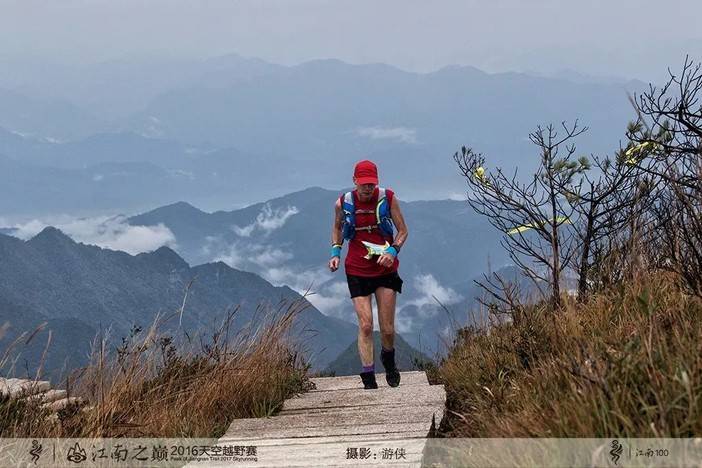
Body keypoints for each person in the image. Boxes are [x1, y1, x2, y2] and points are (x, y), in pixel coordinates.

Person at [328, 160, 408, 389]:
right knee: (365, 324)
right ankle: (368, 377)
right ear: (354, 181)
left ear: (377, 182)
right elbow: (337, 227)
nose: (367, 188)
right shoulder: (343, 203)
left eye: (371, 184)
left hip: (385, 268)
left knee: (387, 328)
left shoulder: (388, 198)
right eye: (363, 184)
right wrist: (335, 252)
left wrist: (393, 251)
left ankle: (388, 359)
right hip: (356, 269)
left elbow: (403, 231)